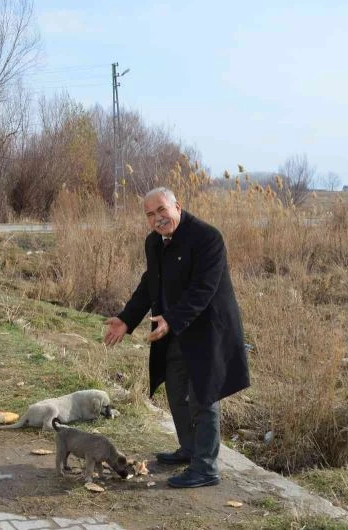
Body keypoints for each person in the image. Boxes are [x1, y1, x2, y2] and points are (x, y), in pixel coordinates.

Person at [104, 187, 249, 488]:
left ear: (177, 206)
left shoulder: (208, 238)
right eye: (150, 214)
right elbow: (149, 284)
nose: (157, 218)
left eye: (161, 210)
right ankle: (190, 450)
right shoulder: (154, 243)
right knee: (175, 389)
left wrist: (171, 319)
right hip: (173, 331)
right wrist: (126, 318)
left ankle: (206, 467)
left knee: (203, 397)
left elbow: (203, 289)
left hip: (208, 332)